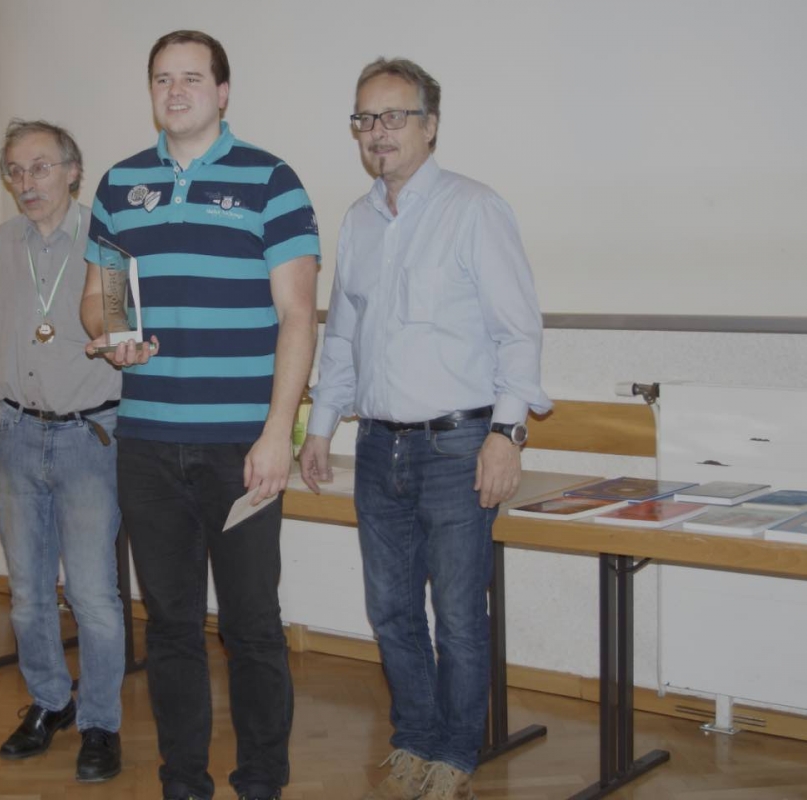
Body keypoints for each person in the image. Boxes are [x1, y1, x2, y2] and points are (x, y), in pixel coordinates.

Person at [299, 58, 551, 800]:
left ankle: (456, 751)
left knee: (460, 617)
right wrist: (320, 428)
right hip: (379, 444)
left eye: (394, 117)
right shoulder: (358, 220)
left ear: (430, 125)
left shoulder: (475, 208)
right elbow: (342, 338)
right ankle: (413, 737)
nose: (378, 133)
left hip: (458, 445)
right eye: (365, 119)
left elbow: (518, 332)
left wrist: (507, 434)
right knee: (390, 610)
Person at [79, 30, 319, 800]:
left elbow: (299, 317)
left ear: (222, 92)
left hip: (240, 448)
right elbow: (101, 296)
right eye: (162, 78)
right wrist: (114, 337)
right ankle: (183, 783)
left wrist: (276, 434)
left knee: (252, 628)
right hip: (147, 446)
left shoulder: (271, 181)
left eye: (191, 77)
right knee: (171, 628)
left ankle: (261, 785)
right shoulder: (120, 185)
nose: (175, 91)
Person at [0, 119, 125, 784]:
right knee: (28, 594)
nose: (26, 182)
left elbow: (121, 333)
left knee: (92, 595)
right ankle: (49, 701)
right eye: (14, 170)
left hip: (88, 438)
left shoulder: (107, 241)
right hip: (15, 435)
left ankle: (101, 722)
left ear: (72, 170)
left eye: (40, 167)